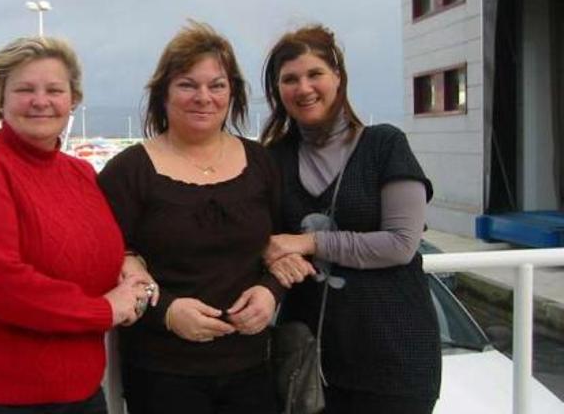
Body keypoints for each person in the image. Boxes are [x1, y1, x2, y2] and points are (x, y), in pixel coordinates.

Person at [0, 36, 154, 414]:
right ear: (0, 100)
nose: (40, 100)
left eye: (54, 90)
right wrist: (104, 312)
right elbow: (1, 283)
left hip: (77, 388)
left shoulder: (80, 173)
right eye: (25, 89)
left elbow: (99, 249)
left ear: (72, 99)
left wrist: (128, 267)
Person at [98, 21, 285, 414]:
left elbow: (284, 245)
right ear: (163, 93)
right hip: (162, 372)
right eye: (187, 84)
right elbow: (103, 259)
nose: (204, 97)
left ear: (232, 93)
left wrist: (271, 291)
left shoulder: (262, 163)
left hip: (253, 367)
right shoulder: (128, 171)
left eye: (217, 85)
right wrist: (165, 310)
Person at [260, 24, 441, 414]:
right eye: (289, 79)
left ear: (338, 78)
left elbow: (401, 243)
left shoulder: (385, 145)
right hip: (311, 363)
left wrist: (309, 243)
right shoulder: (273, 160)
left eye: (314, 74)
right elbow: (260, 237)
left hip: (396, 357)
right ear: (278, 91)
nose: (303, 87)